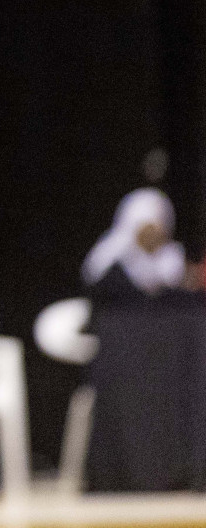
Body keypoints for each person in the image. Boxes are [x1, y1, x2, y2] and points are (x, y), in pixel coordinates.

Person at [81, 186, 206, 492]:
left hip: (173, 363)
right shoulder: (108, 262)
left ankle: (183, 468)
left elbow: (182, 300)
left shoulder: (173, 263)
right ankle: (123, 472)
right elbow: (103, 300)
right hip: (121, 359)